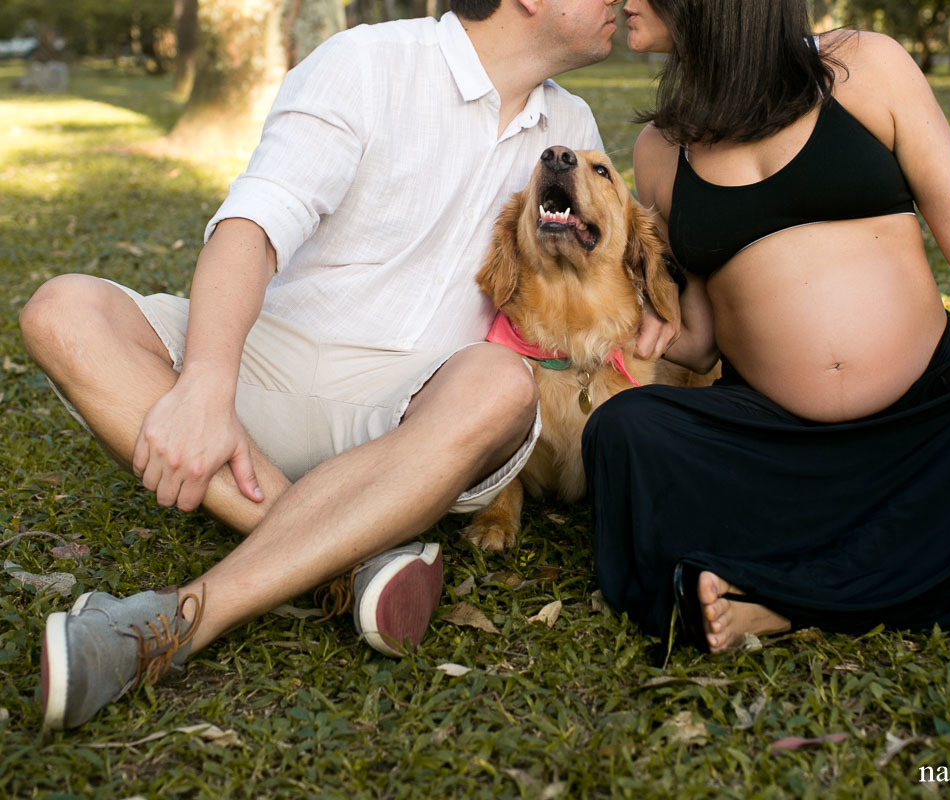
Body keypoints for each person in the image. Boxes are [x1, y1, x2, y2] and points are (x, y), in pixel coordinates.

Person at [20, 0, 655, 731]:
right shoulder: (367, 62)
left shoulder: (570, 128)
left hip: (415, 411)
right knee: (63, 311)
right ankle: (346, 561)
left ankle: (185, 618)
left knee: (502, 384)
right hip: (267, 356)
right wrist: (204, 382)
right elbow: (252, 227)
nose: (622, 1)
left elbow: (602, 258)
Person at [585, 0, 950, 653]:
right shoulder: (662, 150)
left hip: (931, 433)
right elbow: (698, 338)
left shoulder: (865, 68)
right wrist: (625, 319)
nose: (624, 0)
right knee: (626, 430)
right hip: (786, 456)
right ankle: (898, 571)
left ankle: (789, 595)